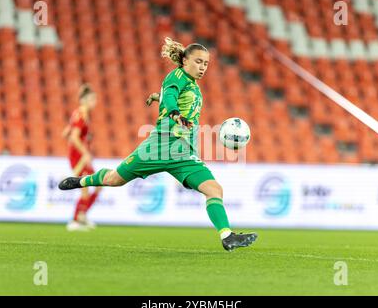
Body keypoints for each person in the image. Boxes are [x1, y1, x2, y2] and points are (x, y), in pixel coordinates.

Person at [59, 38, 257, 251]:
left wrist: (158, 97)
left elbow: (169, 95)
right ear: (185, 60)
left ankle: (227, 237)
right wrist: (173, 112)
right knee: (114, 179)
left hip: (183, 153)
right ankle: (80, 182)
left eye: (206, 64)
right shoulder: (177, 76)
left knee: (214, 189)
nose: (202, 67)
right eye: (198, 62)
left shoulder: (192, 85)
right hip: (160, 146)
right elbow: (171, 95)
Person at [62, 84, 101, 231]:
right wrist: (84, 152)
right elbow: (74, 136)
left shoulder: (79, 114)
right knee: (84, 186)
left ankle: (82, 215)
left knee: (98, 184)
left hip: (80, 154)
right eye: (93, 100)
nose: (94, 103)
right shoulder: (81, 115)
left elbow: (66, 134)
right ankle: (74, 220)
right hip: (79, 155)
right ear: (85, 100)